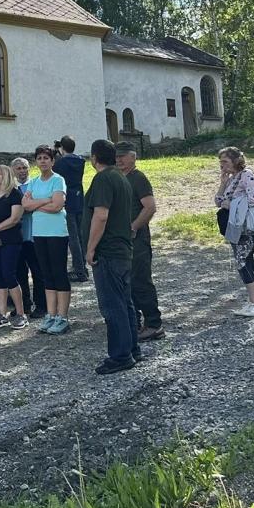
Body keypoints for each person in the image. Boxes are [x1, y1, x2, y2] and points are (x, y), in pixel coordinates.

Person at [84, 140, 140, 374]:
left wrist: (90, 248)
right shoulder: (121, 178)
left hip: (108, 250)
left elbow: (101, 215)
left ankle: (120, 355)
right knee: (124, 302)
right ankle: (132, 348)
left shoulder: (103, 179)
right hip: (122, 249)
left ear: (94, 158)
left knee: (112, 305)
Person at [114, 143, 164, 341]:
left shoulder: (138, 178)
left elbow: (150, 207)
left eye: (123, 156)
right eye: (117, 156)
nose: (119, 160)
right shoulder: (119, 178)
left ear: (133, 157)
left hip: (137, 238)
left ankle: (154, 324)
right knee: (127, 281)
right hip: (122, 240)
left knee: (140, 280)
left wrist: (133, 227)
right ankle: (134, 321)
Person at [22, 146, 70, 333]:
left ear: (52, 161)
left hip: (56, 233)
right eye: (39, 158)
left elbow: (57, 206)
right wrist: (45, 201)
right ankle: (51, 314)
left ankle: (62, 317)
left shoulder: (58, 180)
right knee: (46, 274)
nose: (42, 161)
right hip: (39, 233)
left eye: (46, 158)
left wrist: (35, 204)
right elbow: (25, 205)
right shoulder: (33, 182)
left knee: (59, 273)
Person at [215, 148, 254, 316]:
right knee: (244, 260)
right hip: (235, 225)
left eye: (225, 162)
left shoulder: (246, 175)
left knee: (243, 261)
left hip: (246, 226)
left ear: (236, 161)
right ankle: (253, 301)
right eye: (220, 162)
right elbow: (218, 201)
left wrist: (232, 204)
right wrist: (223, 184)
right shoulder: (232, 179)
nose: (222, 165)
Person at [0, 164, 27, 329]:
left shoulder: (15, 194)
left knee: (9, 274)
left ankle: (21, 313)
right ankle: (2, 314)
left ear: (6, 176)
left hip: (10, 240)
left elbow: (14, 219)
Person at [10, 156, 46, 319]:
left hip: (33, 235)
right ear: (13, 171)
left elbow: (34, 206)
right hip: (17, 236)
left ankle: (41, 305)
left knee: (37, 271)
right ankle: (24, 304)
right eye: (18, 168)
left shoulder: (35, 185)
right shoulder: (11, 188)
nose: (22, 171)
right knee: (19, 272)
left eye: (24, 168)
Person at [52, 136, 88, 282]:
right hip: (79, 197)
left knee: (72, 237)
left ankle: (79, 270)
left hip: (67, 199)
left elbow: (54, 171)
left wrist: (56, 154)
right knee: (80, 234)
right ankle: (82, 266)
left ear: (62, 147)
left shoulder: (61, 163)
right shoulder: (80, 161)